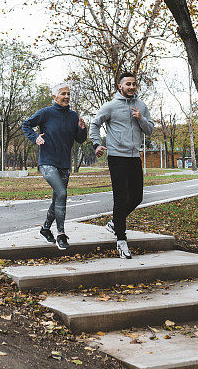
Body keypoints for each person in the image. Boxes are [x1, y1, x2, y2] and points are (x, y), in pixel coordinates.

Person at [90, 72, 154, 259]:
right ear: (120, 86)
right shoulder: (110, 106)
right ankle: (121, 239)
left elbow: (149, 129)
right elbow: (95, 124)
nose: (132, 87)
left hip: (134, 156)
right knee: (121, 197)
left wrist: (141, 118)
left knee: (137, 197)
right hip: (117, 156)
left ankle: (115, 223)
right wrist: (96, 144)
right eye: (128, 84)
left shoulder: (141, 105)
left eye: (134, 84)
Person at [22, 82, 87, 251]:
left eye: (68, 94)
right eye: (63, 93)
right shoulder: (46, 113)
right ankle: (61, 234)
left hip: (64, 164)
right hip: (47, 162)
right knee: (62, 193)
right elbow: (26, 124)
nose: (66, 97)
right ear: (54, 96)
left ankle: (45, 229)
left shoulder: (73, 116)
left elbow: (79, 139)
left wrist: (82, 130)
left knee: (57, 198)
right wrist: (35, 137)